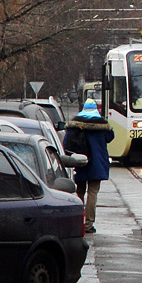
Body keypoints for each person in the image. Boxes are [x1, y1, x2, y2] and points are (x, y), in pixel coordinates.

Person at [63, 98, 115, 233]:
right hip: (96, 163)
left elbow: (66, 142)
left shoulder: (75, 123)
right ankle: (88, 224)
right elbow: (110, 137)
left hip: (79, 162)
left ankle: (78, 220)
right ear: (95, 109)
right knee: (92, 193)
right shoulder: (102, 124)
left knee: (79, 192)